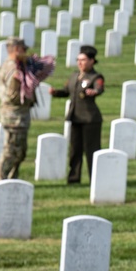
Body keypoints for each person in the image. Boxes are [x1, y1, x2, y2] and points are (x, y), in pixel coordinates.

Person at [50, 45, 105, 184]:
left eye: (84, 60)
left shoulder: (95, 77)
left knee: (92, 150)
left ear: (92, 61)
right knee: (75, 150)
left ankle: (95, 179)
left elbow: (99, 88)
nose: (80, 62)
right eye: (78, 59)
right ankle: (74, 178)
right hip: (75, 118)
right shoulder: (74, 76)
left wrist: (95, 92)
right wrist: (55, 92)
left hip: (90, 119)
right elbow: (66, 90)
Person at [0, 37, 36, 180]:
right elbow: (12, 95)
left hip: (19, 115)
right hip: (14, 116)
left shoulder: (17, 66)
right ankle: (3, 180)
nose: (26, 52)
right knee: (12, 151)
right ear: (16, 49)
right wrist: (29, 94)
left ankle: (12, 178)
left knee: (20, 151)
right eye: (24, 49)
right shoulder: (13, 68)